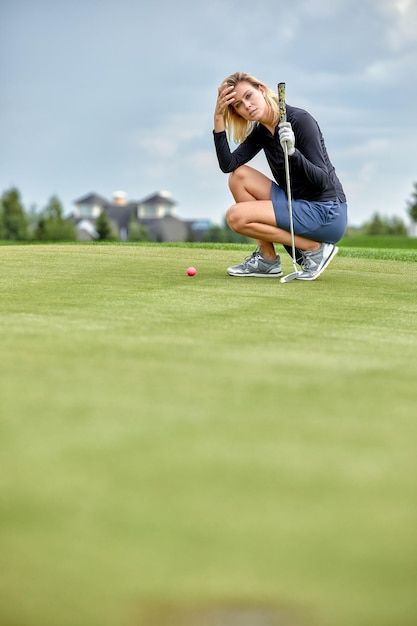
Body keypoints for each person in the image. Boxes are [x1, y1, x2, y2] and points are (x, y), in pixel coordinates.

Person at [213, 71, 347, 280]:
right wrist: (219, 117)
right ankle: (267, 259)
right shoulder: (262, 131)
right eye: (238, 105)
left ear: (260, 90)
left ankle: (314, 248)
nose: (246, 105)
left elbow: (322, 181)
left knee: (236, 216)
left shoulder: (300, 120)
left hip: (327, 212)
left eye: (248, 96)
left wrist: (293, 154)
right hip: (298, 205)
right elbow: (228, 164)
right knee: (239, 176)